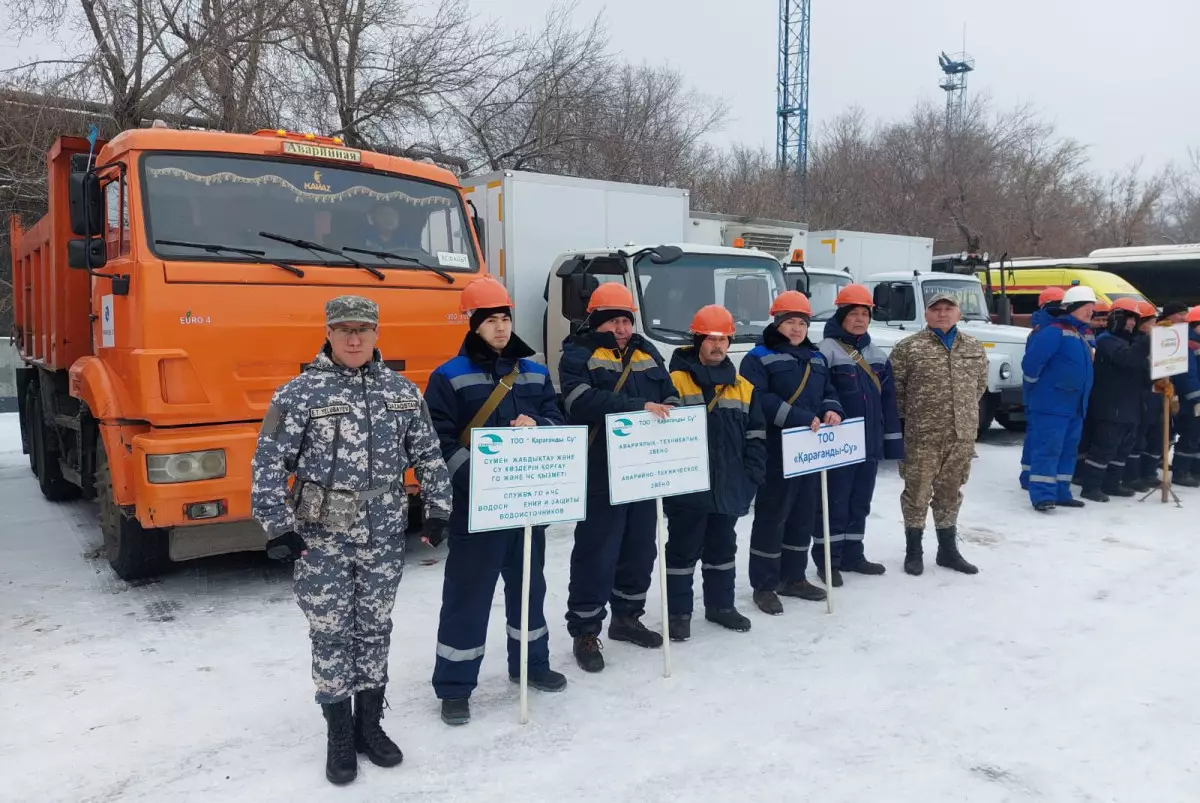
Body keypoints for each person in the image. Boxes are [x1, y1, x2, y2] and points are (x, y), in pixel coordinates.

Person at [252, 295, 451, 786]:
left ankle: (370, 725)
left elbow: (427, 453)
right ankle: (338, 733)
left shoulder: (402, 392)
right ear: (329, 333)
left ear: (377, 332)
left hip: (383, 529)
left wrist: (438, 507)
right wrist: (278, 526)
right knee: (330, 629)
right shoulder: (299, 394)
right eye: (344, 330)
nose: (354, 338)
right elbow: (268, 462)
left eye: (363, 329)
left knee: (375, 626)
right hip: (322, 534)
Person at [424, 277, 567, 727]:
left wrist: (538, 425)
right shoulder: (447, 376)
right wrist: (479, 479)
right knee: (468, 595)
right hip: (478, 507)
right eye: (491, 322)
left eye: (505, 320)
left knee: (529, 590)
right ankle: (454, 687)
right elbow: (438, 441)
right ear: (474, 325)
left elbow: (558, 421)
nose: (501, 329)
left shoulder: (536, 372)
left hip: (528, 505)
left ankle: (531, 666)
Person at [559, 283, 680, 672]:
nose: (622, 328)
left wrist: (672, 409)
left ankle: (627, 617)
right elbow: (578, 401)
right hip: (600, 466)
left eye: (626, 320)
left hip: (644, 467)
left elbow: (669, 391)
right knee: (598, 549)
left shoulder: (647, 351)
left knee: (640, 546)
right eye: (613, 321)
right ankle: (585, 629)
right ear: (596, 321)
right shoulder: (577, 352)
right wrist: (639, 408)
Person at [663, 305, 767, 639]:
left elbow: (756, 436)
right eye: (710, 339)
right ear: (697, 341)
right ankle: (678, 614)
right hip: (687, 490)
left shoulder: (743, 387)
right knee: (682, 552)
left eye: (723, 339)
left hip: (729, 487)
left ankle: (721, 607)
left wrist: (751, 477)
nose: (718, 346)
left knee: (723, 548)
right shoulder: (673, 382)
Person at [741, 291, 843, 615]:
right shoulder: (756, 357)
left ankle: (794, 577)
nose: (797, 329)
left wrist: (832, 410)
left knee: (803, 513)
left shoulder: (815, 358)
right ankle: (765, 584)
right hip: (776, 449)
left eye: (802, 323)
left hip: (810, 450)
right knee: (772, 516)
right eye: (790, 323)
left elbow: (829, 391)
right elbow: (757, 399)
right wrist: (799, 418)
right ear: (777, 323)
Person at [890, 293, 988, 576]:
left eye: (949, 309)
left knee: (950, 493)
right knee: (917, 494)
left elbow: (979, 386)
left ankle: (947, 551)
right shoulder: (908, 348)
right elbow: (896, 392)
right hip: (922, 436)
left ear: (958, 314)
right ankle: (914, 551)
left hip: (961, 435)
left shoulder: (974, 347)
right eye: (936, 309)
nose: (942, 314)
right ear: (927, 315)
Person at [816, 283, 904, 584]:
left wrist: (891, 443)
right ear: (841, 316)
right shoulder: (824, 351)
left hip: (868, 444)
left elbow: (888, 401)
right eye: (853, 313)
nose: (859, 319)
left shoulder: (877, 354)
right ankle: (828, 560)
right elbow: (820, 395)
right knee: (834, 502)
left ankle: (853, 554)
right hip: (838, 445)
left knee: (860, 501)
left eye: (864, 314)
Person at [1020, 286, 1096, 512]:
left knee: (1067, 449)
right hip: (1052, 404)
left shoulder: (1079, 333)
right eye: (1086, 308)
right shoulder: (1053, 331)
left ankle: (1062, 492)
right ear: (1072, 308)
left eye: (1092, 309)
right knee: (1048, 448)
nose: (1090, 313)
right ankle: (1043, 495)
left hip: (1074, 405)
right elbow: (1031, 365)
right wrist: (1039, 391)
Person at [1077, 298, 1152, 502]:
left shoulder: (1131, 343)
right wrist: (1148, 341)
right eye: (1128, 318)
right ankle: (1091, 486)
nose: (1131, 323)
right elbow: (1126, 359)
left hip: (1130, 405)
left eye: (1134, 320)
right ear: (1116, 319)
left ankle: (1111, 483)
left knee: (1122, 449)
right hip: (1111, 405)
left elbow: (1140, 369)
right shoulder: (1106, 341)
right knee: (1104, 446)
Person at [1020, 287, 1067, 490]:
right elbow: (1032, 365)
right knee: (1038, 437)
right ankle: (1029, 476)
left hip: (1044, 392)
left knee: (1038, 436)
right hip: (1041, 393)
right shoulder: (1045, 331)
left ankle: (1031, 474)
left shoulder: (1049, 327)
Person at [1124, 301, 1164, 492]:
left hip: (1155, 396)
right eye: (1153, 322)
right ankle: (1133, 476)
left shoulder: (1155, 342)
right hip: (1141, 396)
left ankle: (1148, 473)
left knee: (1155, 436)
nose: (1156, 326)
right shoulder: (1135, 343)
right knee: (1137, 438)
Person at [1170, 306, 1200, 487]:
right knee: (1190, 435)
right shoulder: (1188, 344)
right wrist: (1196, 398)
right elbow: (1187, 375)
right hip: (1191, 401)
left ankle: (1195, 470)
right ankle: (1181, 472)